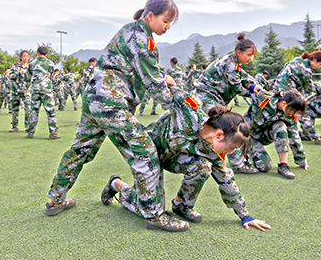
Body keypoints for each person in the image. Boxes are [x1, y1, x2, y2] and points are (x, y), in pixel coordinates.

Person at [46, 0, 188, 231]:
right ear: (150, 16)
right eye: (166, 21)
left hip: (94, 101)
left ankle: (55, 199)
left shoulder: (130, 31)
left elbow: (141, 69)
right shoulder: (144, 39)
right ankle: (154, 215)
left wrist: (162, 77)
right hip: (111, 105)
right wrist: (178, 102)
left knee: (80, 150)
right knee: (145, 149)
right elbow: (152, 82)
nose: (167, 26)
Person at [101, 88, 271, 231]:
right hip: (147, 154)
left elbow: (227, 180)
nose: (230, 152)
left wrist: (245, 216)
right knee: (152, 211)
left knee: (203, 166)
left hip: (171, 158)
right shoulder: (189, 111)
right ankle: (116, 184)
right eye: (232, 148)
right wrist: (162, 77)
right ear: (219, 135)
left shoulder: (215, 151)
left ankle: (182, 205)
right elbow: (171, 88)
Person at [232, 89, 308, 179]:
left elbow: (295, 137)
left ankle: (283, 165)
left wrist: (302, 160)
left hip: (261, 137)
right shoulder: (264, 98)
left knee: (281, 125)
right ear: (284, 104)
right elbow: (245, 88)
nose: (295, 114)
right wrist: (250, 85)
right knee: (265, 166)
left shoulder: (290, 117)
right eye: (294, 110)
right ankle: (241, 157)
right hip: (244, 136)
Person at [192, 33, 260, 112]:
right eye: (249, 55)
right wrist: (255, 93)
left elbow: (243, 76)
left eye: (252, 56)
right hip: (205, 97)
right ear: (239, 52)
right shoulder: (231, 65)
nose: (251, 58)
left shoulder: (232, 61)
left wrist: (253, 86)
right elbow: (238, 89)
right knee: (222, 119)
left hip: (211, 97)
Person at [26, 47, 60, 139]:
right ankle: (53, 133)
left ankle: (31, 132)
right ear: (46, 54)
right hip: (47, 90)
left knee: (34, 111)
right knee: (50, 111)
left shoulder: (32, 63)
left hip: (35, 89)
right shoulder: (50, 63)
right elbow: (52, 76)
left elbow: (27, 77)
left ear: (37, 53)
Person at [8, 50, 31, 133]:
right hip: (16, 91)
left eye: (27, 56)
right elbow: (10, 76)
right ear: (21, 57)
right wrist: (19, 73)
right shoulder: (15, 66)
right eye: (24, 56)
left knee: (28, 108)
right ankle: (15, 126)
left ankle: (28, 126)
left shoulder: (30, 67)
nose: (25, 58)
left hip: (26, 91)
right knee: (15, 109)